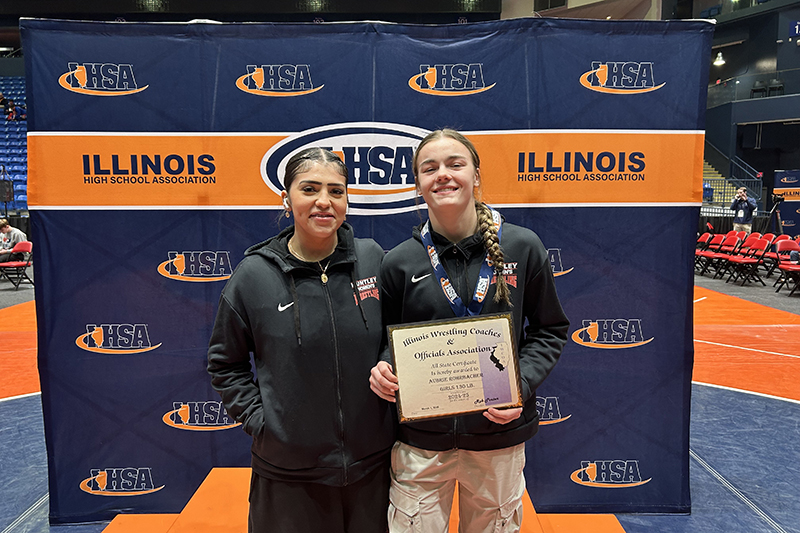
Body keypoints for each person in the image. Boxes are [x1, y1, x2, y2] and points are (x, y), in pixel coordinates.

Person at [370, 129, 570, 533]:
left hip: (498, 434)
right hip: (421, 440)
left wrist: (520, 386)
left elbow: (549, 329)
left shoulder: (523, 247)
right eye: (430, 168)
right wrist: (383, 367)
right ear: (418, 184)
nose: (442, 174)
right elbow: (386, 339)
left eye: (454, 164)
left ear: (476, 175)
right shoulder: (399, 262)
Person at [207, 147, 394, 533]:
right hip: (288, 477)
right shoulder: (253, 276)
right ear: (286, 198)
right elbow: (226, 363)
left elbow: (397, 331)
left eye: (336, 191)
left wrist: (390, 361)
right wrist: (267, 425)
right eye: (309, 189)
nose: (324, 202)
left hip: (372, 468)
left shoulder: (372, 258)